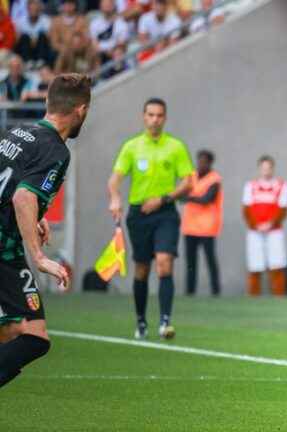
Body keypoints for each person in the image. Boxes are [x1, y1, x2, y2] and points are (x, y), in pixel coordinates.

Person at [0, 73, 92, 388]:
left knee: (14, 331)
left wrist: (35, 216)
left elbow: (11, 183)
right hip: (4, 250)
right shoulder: (56, 151)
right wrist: (38, 256)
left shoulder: (19, 130)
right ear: (81, 110)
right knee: (33, 337)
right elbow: (22, 195)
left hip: (6, 246)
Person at [107, 98, 193, 340]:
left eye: (159, 115)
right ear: (144, 117)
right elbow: (114, 180)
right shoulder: (132, 147)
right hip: (138, 215)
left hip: (165, 213)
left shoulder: (175, 147)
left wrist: (164, 199)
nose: (155, 119)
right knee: (142, 269)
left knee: (165, 262)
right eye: (151, 115)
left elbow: (188, 182)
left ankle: (165, 322)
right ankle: (141, 320)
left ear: (165, 118)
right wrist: (115, 198)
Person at [241, 155, 287, 297]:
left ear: (272, 169)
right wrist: (256, 225)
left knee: (277, 264)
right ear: (259, 169)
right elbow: (246, 209)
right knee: (255, 265)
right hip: (255, 232)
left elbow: (284, 209)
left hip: (274, 231)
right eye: (263, 168)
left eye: (269, 168)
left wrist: (271, 224)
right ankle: (254, 298)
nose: (266, 171)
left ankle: (279, 297)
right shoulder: (250, 186)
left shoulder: (282, 186)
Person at [180, 150, 222, 296]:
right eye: (199, 161)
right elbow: (181, 192)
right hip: (190, 226)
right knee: (190, 262)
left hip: (207, 227)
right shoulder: (191, 176)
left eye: (204, 161)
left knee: (210, 260)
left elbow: (207, 199)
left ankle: (216, 292)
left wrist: (189, 198)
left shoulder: (214, 179)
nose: (201, 164)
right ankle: (190, 292)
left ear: (210, 163)